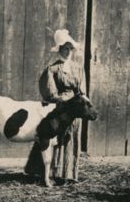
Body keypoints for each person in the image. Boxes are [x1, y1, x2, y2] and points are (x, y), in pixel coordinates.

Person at [25, 29, 86, 181]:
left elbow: (82, 89)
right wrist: (62, 100)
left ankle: (69, 173)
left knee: (71, 137)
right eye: (65, 48)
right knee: (54, 136)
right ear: (59, 49)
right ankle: (50, 172)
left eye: (70, 49)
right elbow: (49, 92)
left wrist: (80, 102)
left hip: (75, 108)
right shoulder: (52, 69)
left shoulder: (78, 68)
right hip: (59, 109)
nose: (68, 52)